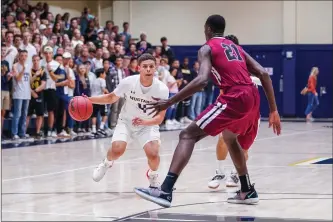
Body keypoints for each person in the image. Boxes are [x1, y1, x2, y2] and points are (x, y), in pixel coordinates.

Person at [133, 14, 281, 207]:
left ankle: (165, 190)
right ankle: (246, 190)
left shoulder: (207, 47)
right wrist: (273, 110)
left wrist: (169, 102)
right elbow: (263, 73)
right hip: (253, 96)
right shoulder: (236, 47)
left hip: (234, 96)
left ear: (208, 29)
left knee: (187, 135)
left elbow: (202, 80)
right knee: (229, 137)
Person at [87, 53, 169, 188]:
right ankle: (106, 163)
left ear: (155, 69)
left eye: (151, 66)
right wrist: (89, 99)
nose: (148, 69)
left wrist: (144, 122)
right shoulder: (128, 82)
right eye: (145, 66)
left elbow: (160, 118)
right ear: (139, 68)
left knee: (153, 154)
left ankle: (152, 175)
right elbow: (110, 98)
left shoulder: (162, 89)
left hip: (147, 125)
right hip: (126, 122)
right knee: (117, 149)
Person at [208, 34, 263, 189]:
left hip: (249, 113)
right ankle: (220, 171)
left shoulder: (244, 65)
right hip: (231, 111)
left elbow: (263, 76)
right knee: (222, 140)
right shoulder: (222, 68)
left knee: (242, 147)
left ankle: (235, 173)